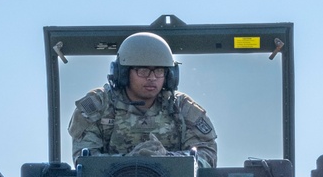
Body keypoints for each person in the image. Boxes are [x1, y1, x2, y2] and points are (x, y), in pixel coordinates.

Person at [68, 31, 217, 167]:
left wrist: (168, 157)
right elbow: (85, 163)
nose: (152, 78)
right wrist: (130, 161)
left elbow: (207, 156)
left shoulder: (182, 108)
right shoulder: (98, 106)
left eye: (159, 71)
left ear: (169, 76)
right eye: (143, 70)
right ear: (124, 73)